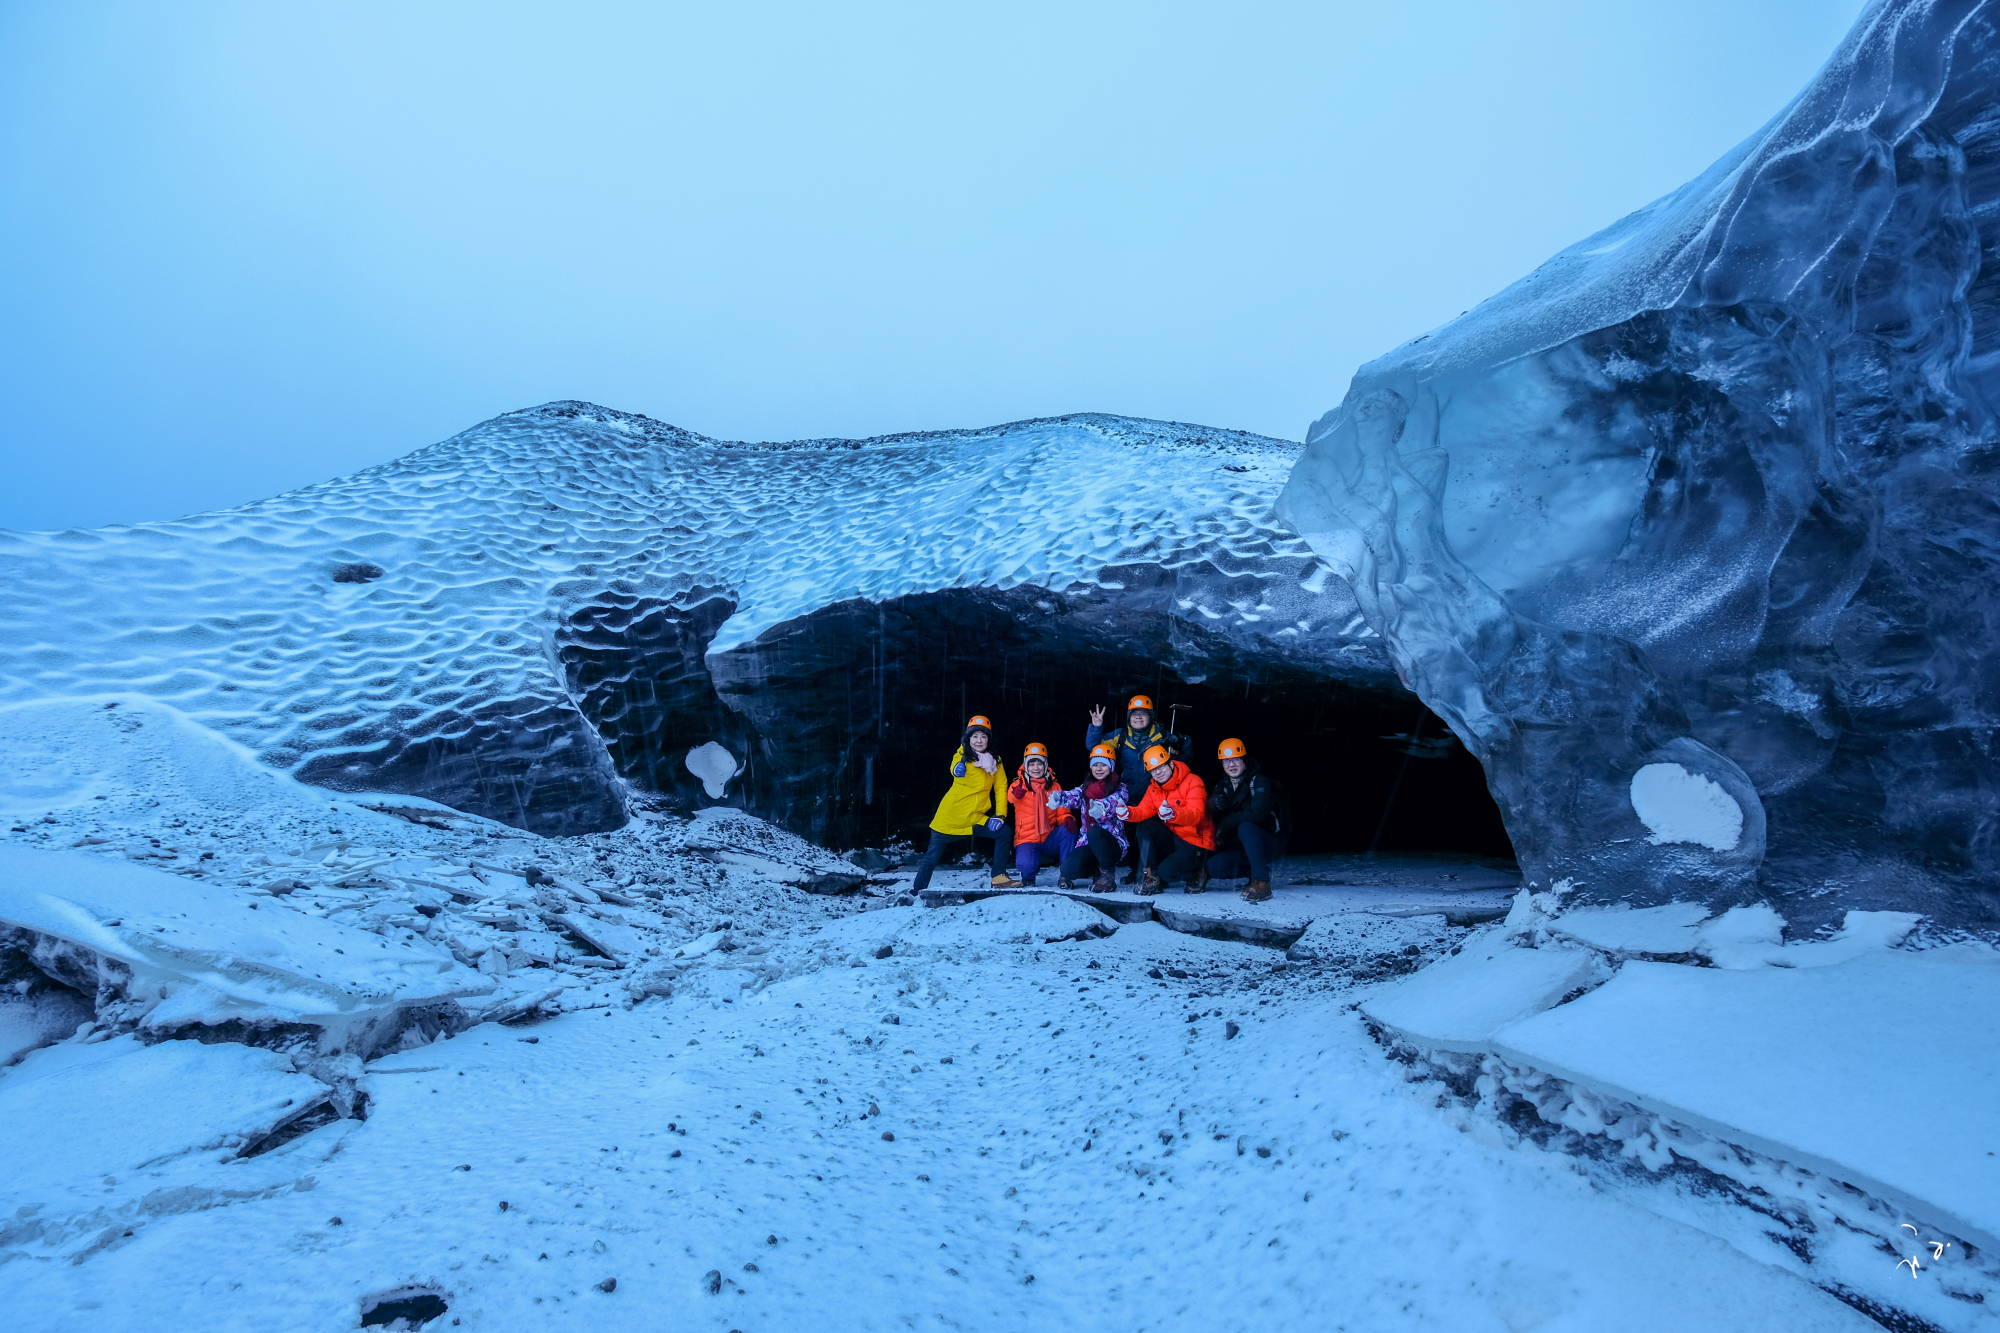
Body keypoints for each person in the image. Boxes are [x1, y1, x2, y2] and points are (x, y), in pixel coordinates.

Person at [909, 715, 1018, 892]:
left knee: (1004, 832)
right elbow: (954, 767)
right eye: (974, 736)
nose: (979, 740)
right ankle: (916, 891)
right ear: (968, 739)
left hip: (975, 817)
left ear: (989, 739)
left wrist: (1000, 815)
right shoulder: (962, 756)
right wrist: (956, 769)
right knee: (931, 858)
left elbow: (1000, 788)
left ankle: (998, 876)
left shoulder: (995, 762)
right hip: (950, 818)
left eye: (983, 736)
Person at [1083, 694, 1171, 881]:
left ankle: (1152, 871)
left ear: (1151, 716)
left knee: (1150, 832)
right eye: (1134, 713)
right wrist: (1096, 727)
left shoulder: (1162, 736)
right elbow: (1094, 747)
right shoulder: (1121, 735)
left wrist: (1183, 743)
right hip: (1128, 793)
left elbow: (1181, 760)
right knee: (1129, 832)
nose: (1138, 717)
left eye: (1143, 713)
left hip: (1154, 793)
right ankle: (1136, 870)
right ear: (1129, 717)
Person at [1204, 737, 1289, 901]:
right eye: (1226, 761)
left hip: (1269, 843)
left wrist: (1225, 823)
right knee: (1213, 867)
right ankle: (1256, 871)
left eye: (1236, 759)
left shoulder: (1260, 781)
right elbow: (1205, 812)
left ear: (1244, 760)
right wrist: (1213, 804)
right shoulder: (1223, 785)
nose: (1231, 764)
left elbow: (1257, 814)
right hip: (1242, 847)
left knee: (1246, 826)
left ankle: (1262, 883)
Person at [1124, 743, 1216, 894]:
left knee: (1167, 873)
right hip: (1176, 838)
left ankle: (1200, 870)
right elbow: (1143, 810)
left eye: (1161, 767)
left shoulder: (1193, 781)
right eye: (1153, 770)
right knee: (1146, 825)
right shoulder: (1154, 788)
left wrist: (1174, 813)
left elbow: (1196, 814)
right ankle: (1153, 876)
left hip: (1196, 842)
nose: (1158, 772)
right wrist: (1127, 813)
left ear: (1171, 764)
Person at [1051, 742, 1131, 891]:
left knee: (1094, 829)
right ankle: (1095, 870)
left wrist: (1101, 807)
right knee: (1068, 869)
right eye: (1095, 765)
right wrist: (1059, 798)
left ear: (1111, 766)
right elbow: (1073, 796)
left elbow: (1114, 802)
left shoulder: (1120, 787)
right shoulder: (1086, 787)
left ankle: (1107, 877)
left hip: (1112, 844)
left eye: (1103, 765)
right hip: (1088, 843)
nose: (1099, 769)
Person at [1006, 742, 1075, 887]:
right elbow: (1010, 797)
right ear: (1025, 766)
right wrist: (1016, 793)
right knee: (1026, 866)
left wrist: (1067, 818)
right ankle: (1029, 875)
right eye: (1031, 764)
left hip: (1049, 837)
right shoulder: (1019, 784)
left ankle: (1066, 875)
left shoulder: (1054, 785)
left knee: (1069, 830)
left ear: (1045, 765)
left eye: (1039, 763)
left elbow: (1062, 810)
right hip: (1028, 838)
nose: (1035, 768)